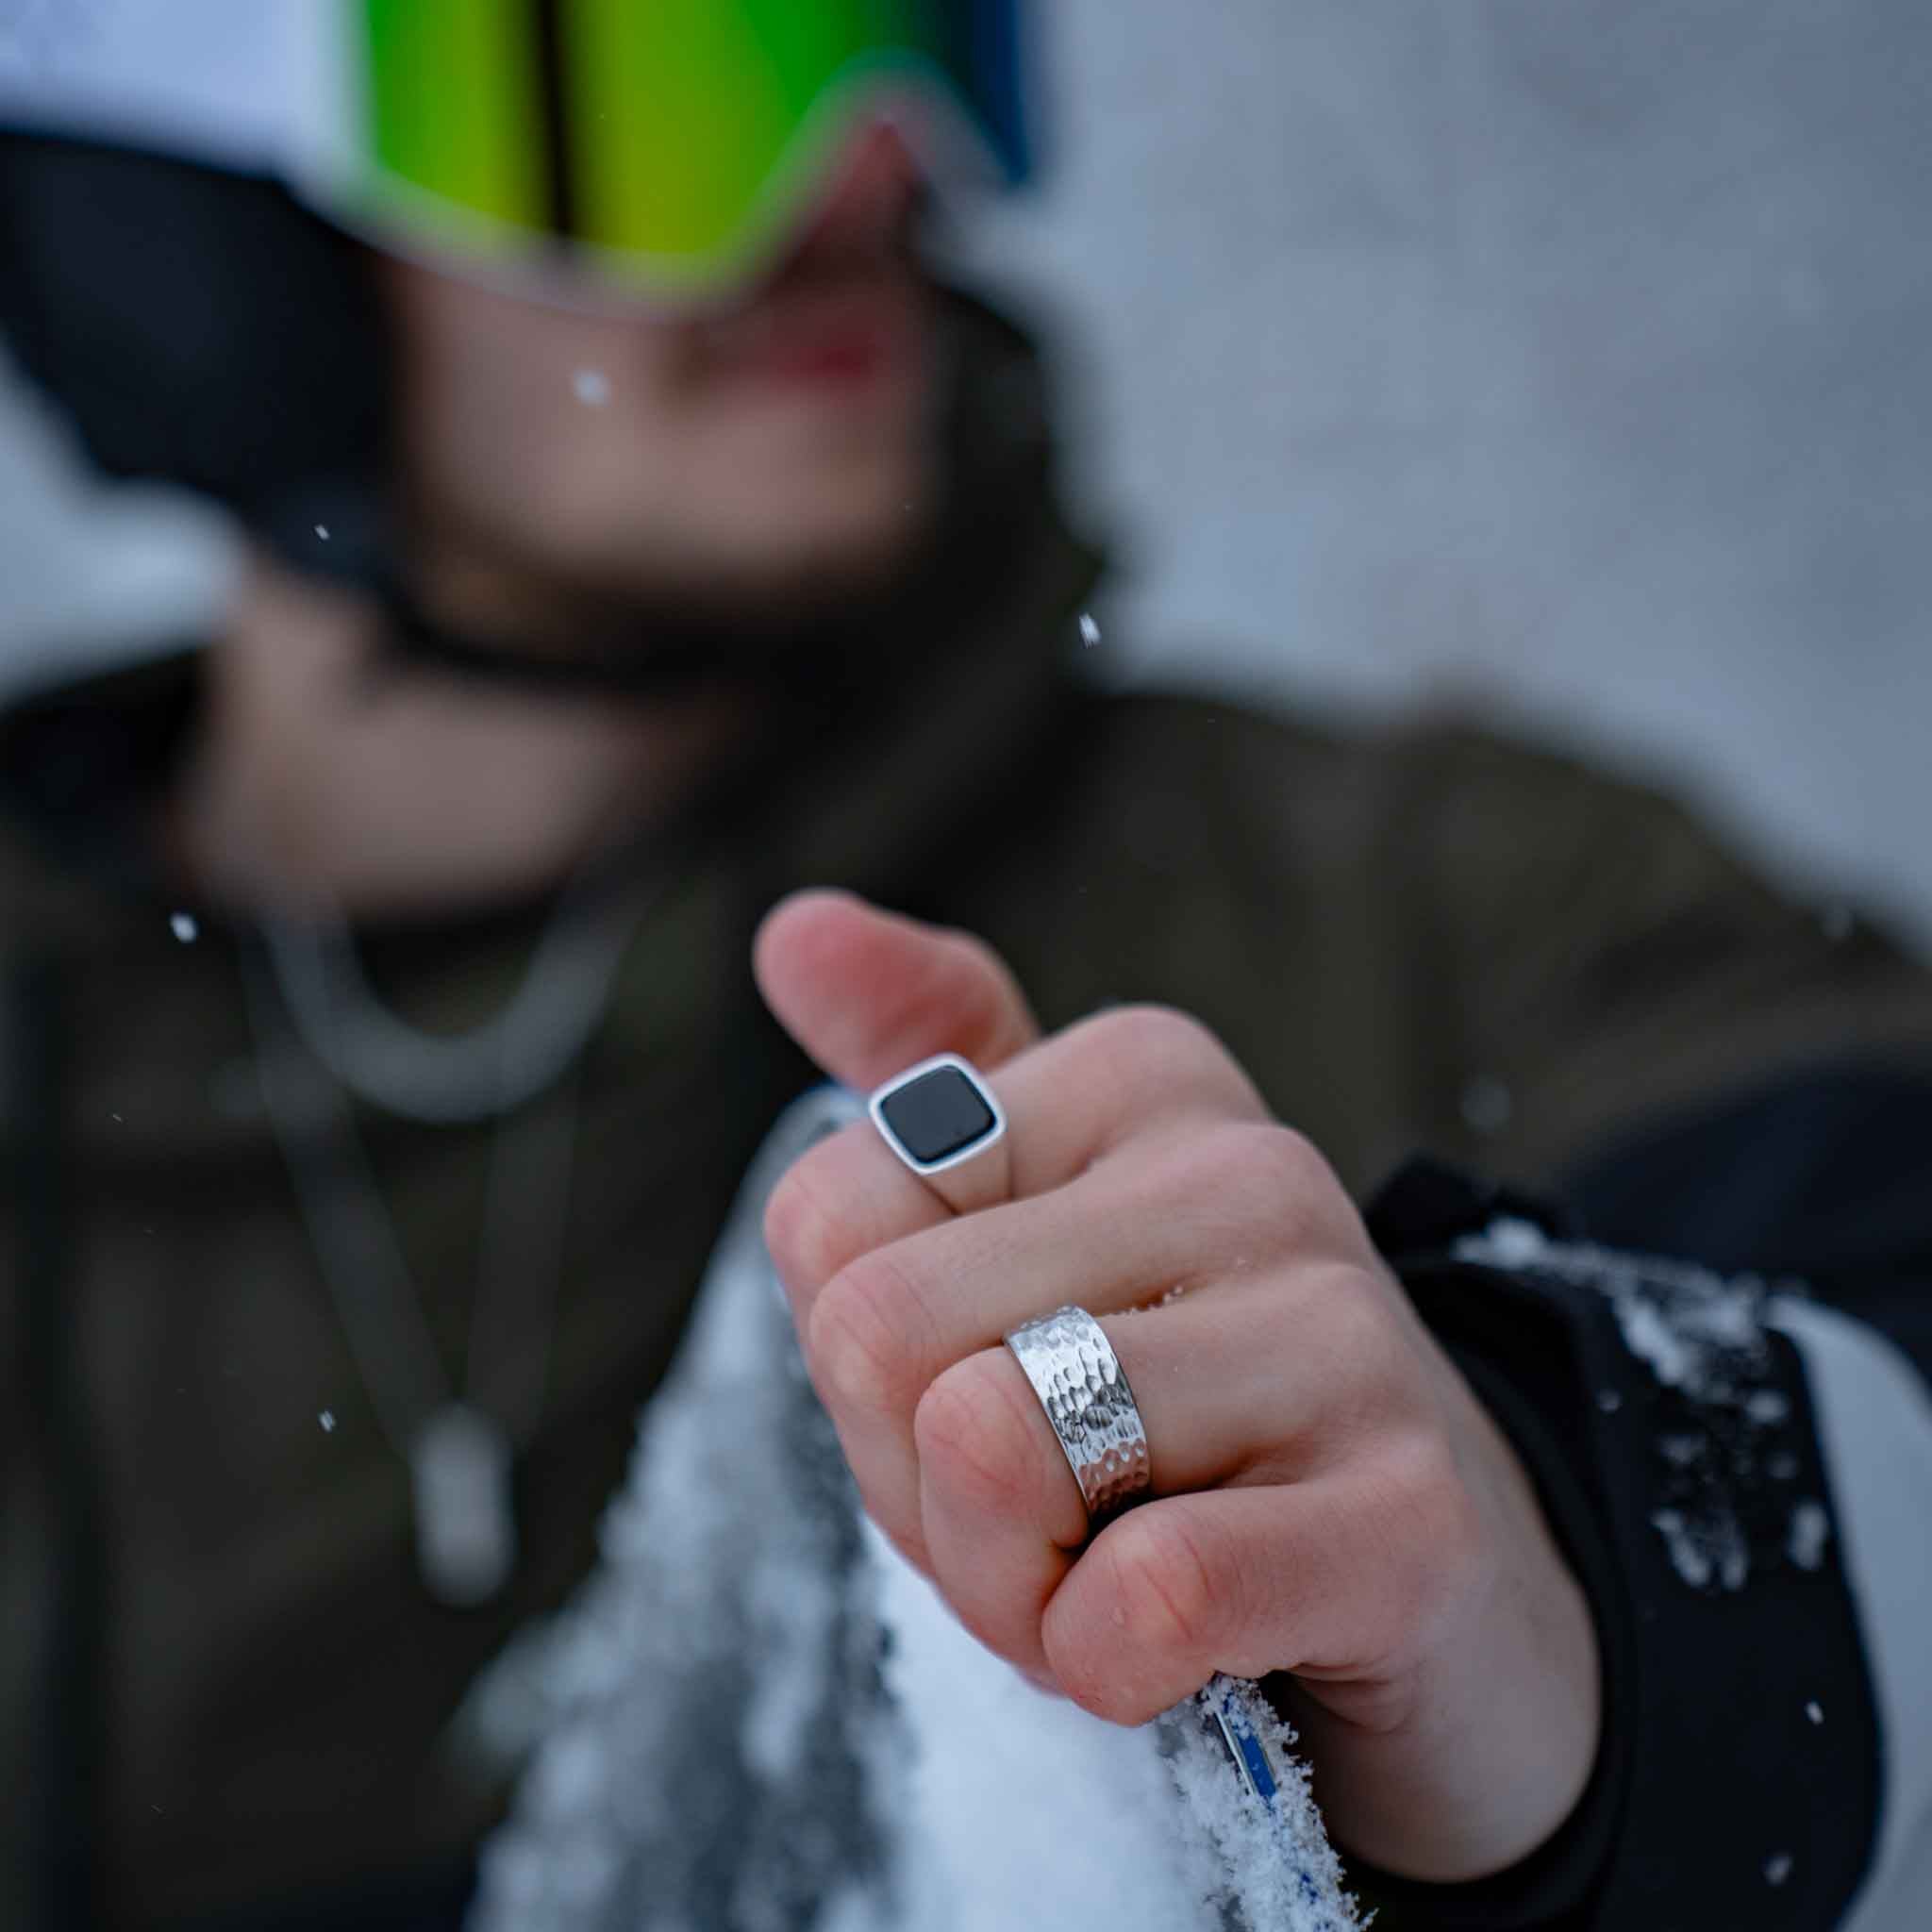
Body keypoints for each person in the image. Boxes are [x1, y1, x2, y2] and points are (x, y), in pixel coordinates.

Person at [1, 5, 1927, 1928]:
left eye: (908, 28)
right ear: (197, 236)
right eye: (667, 74)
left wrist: (1574, 1601)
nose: (866, 166)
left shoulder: (1427, 901)